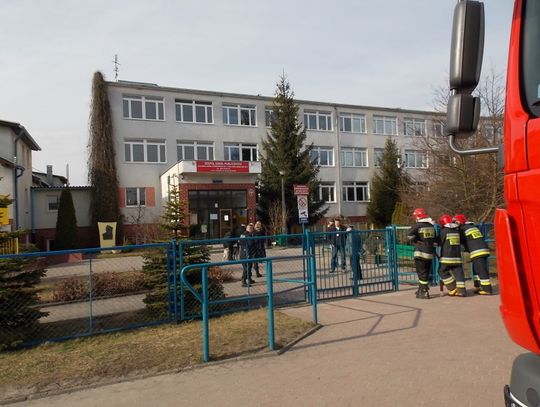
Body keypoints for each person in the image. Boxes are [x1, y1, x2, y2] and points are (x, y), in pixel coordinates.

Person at [454, 214, 492, 295]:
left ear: (459, 222)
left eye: (455, 222)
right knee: (477, 269)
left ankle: (487, 289)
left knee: (481, 270)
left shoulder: (462, 229)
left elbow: (460, 240)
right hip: (483, 249)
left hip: (477, 251)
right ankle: (478, 286)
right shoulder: (472, 227)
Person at [407, 208, 436, 299]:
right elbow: (434, 239)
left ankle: (424, 291)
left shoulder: (417, 226)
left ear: (417, 217)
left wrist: (416, 240)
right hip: (429, 253)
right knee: (425, 272)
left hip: (420, 253)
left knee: (421, 273)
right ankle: (421, 289)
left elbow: (409, 235)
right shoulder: (431, 226)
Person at [437, 214, 466, 296]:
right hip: (457, 257)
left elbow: (439, 242)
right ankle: (461, 291)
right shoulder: (457, 231)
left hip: (447, 257)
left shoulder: (444, 231)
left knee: (442, 271)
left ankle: (452, 288)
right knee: (459, 273)